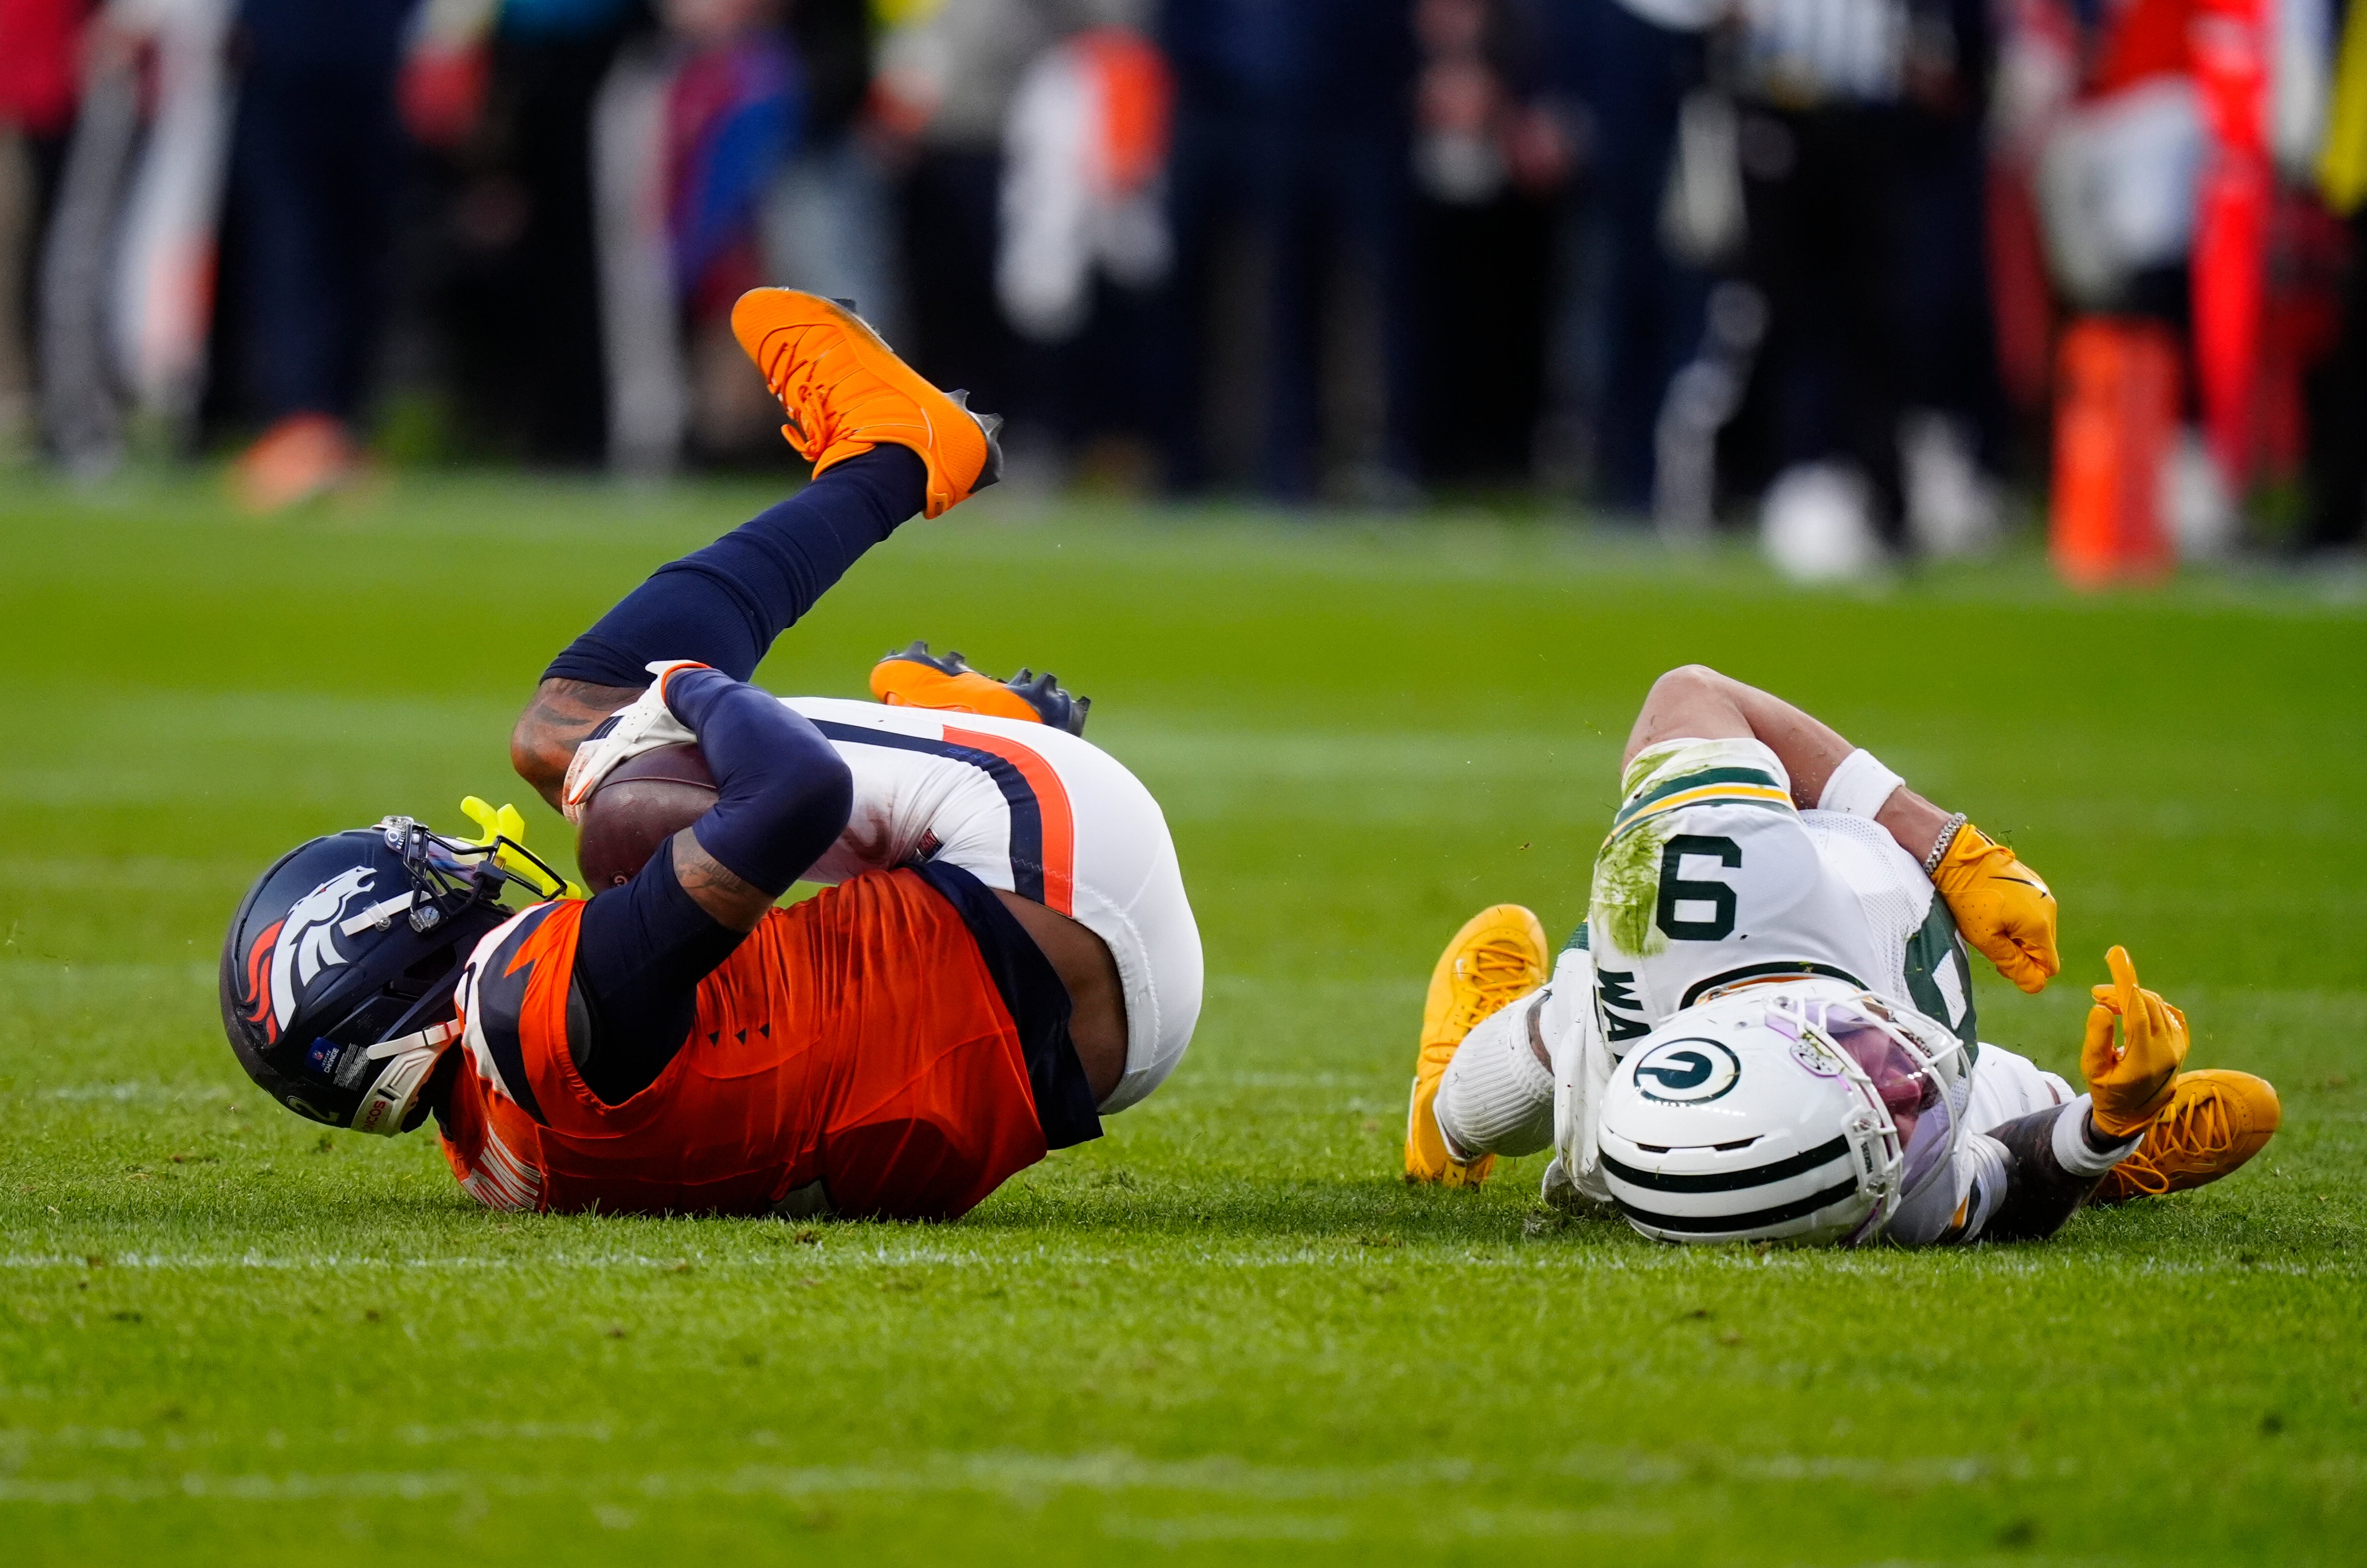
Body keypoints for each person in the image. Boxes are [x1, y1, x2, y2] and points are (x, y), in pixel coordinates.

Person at [219, 289, 1202, 1220]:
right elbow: (793, 792)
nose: (449, 863)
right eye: (417, 880)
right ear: (381, 958)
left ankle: (980, 732)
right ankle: (897, 454)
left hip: (1101, 1045)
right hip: (1065, 863)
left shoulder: (501, 1161)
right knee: (579, 746)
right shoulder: (533, 1007)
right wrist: (684, 681)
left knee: (645, 832)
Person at [1403, 665, 2281, 1243]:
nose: (1914, 1083)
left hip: (1642, 1020)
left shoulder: (1705, 890)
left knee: (1556, 1045)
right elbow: (2010, 1170)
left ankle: (1454, 1086)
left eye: (1882, 1085)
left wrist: (1950, 846)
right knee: (2013, 1109)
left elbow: (1693, 692)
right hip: (1726, 1072)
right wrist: (2102, 1130)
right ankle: (2123, 1147)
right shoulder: (1902, 1181)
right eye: (1899, 1116)